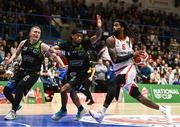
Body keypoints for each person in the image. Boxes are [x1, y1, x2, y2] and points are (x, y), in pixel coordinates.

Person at [89, 19, 172, 123]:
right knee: (139, 97)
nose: (114, 28)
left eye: (117, 25)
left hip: (129, 68)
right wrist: (133, 54)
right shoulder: (110, 40)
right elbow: (115, 59)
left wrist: (140, 58)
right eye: (113, 26)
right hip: (118, 70)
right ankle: (163, 109)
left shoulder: (130, 39)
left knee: (113, 82)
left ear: (122, 27)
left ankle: (101, 114)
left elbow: (132, 55)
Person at [3, 26, 65, 120]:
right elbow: (16, 53)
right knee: (6, 90)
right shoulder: (23, 43)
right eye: (35, 32)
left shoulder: (42, 46)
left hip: (33, 74)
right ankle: (16, 104)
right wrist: (10, 60)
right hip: (21, 71)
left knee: (20, 86)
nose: (37, 34)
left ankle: (13, 111)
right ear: (30, 33)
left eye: (39, 33)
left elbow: (54, 55)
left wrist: (62, 65)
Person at [51, 15, 102, 121]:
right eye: (77, 36)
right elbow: (55, 47)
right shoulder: (67, 44)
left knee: (63, 89)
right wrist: (53, 49)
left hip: (82, 73)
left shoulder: (85, 43)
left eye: (81, 36)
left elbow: (97, 37)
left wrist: (99, 27)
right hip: (71, 72)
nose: (79, 38)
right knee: (72, 93)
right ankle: (80, 109)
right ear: (72, 36)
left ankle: (63, 110)